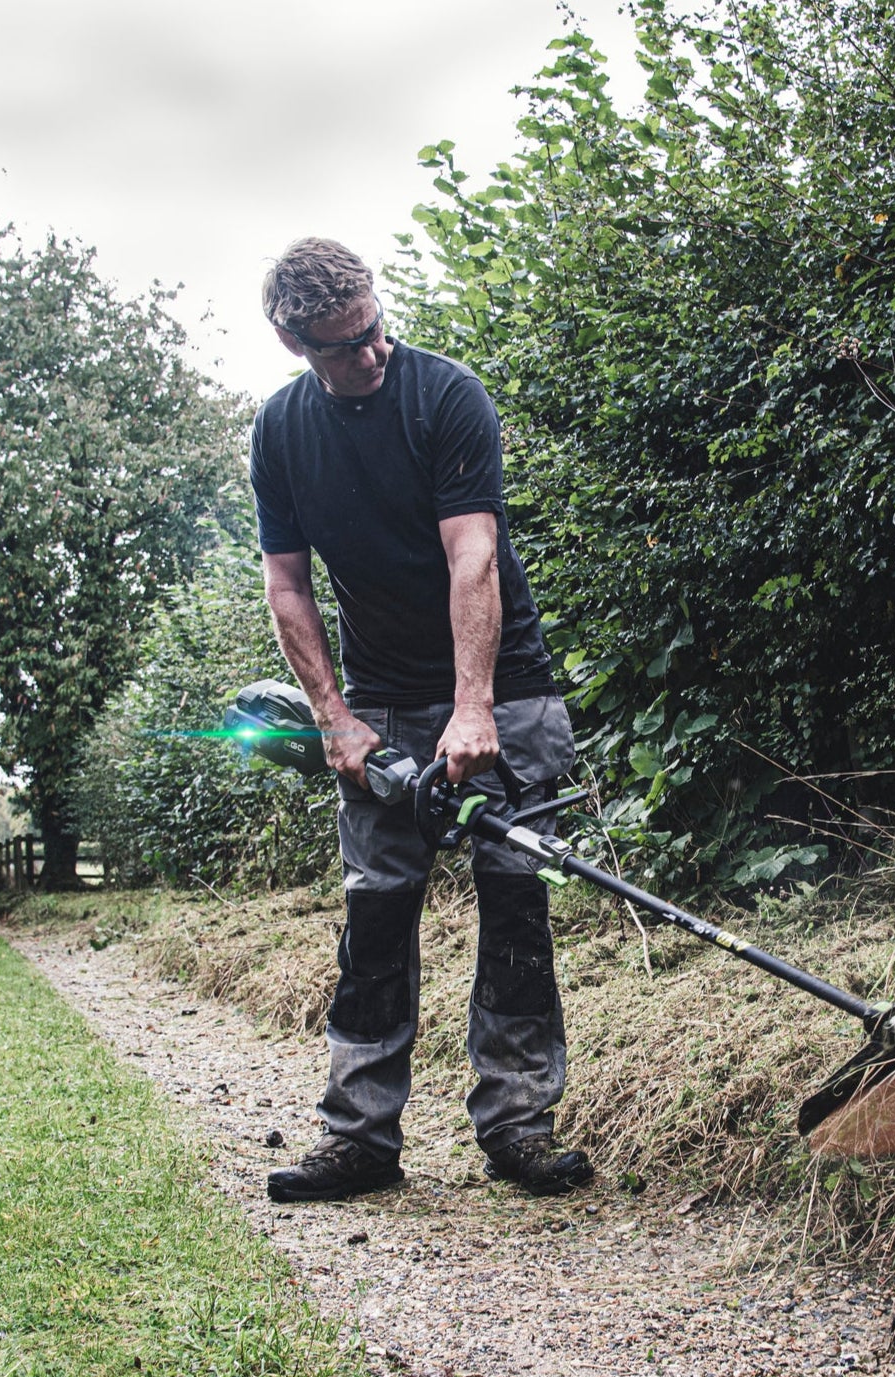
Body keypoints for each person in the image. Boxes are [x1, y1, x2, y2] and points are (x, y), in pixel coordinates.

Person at [248, 237, 594, 1204]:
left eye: (371, 331)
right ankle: (359, 1138)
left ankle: (519, 1126)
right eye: (340, 347)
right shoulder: (279, 433)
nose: (367, 356)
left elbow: (471, 556)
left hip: (506, 690)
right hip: (382, 702)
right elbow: (287, 586)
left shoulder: (445, 395)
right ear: (291, 341)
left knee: (516, 906)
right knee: (375, 916)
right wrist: (335, 720)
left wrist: (476, 706)